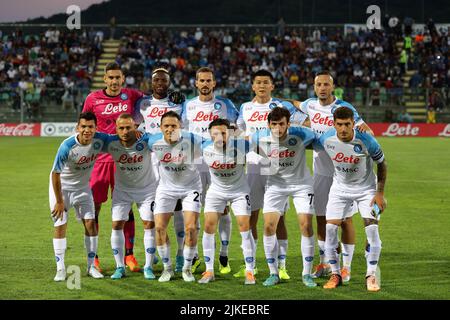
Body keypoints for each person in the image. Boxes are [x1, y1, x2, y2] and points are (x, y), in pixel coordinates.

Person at [293, 71, 373, 283]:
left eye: (326, 84)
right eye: (318, 84)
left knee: (345, 220)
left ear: (332, 86)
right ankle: (325, 261)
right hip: (320, 170)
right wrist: (275, 102)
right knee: (322, 218)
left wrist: (364, 128)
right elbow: (294, 103)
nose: (322, 88)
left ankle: (345, 267)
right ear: (314, 87)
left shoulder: (344, 108)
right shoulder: (309, 104)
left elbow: (365, 129)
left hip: (344, 174)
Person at [236, 69, 306, 280]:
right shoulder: (245, 107)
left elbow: (302, 122)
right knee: (252, 216)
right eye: (258, 82)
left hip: (278, 167)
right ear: (253, 86)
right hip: (254, 165)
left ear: (272, 86)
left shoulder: (281, 107)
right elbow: (239, 129)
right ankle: (252, 265)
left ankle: (281, 265)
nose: (262, 86)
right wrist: (246, 139)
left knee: (279, 218)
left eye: (266, 82)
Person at [82, 62, 144, 272]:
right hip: (99, 160)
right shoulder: (92, 99)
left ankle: (129, 255)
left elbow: (152, 104)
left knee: (127, 208)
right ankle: (95, 257)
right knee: (94, 208)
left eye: (118, 77)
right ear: (105, 79)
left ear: (123, 78)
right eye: (111, 77)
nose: (115, 81)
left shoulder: (132, 95)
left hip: (124, 160)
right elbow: (83, 124)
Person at [317, 106, 387, 292]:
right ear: (334, 124)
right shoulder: (326, 137)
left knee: (371, 229)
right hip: (339, 189)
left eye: (347, 124)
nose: (343, 129)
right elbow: (307, 142)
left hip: (367, 190)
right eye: (339, 124)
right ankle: (336, 273)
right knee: (330, 229)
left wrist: (379, 193)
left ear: (353, 123)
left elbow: (382, 163)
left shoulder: (366, 140)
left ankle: (371, 274)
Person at [181, 67, 240, 274]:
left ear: (214, 83)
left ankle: (224, 255)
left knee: (223, 208)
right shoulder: (187, 105)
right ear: (196, 83)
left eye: (208, 80)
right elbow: (180, 131)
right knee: (194, 210)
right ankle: (195, 255)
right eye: (201, 81)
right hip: (195, 163)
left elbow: (238, 127)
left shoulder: (225, 105)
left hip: (219, 162)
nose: (205, 84)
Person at [251, 107, 317, 287]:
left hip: (302, 184)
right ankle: (274, 273)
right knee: (269, 226)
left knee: (305, 224)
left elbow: (320, 140)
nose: (278, 128)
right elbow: (254, 150)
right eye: (274, 124)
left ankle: (306, 273)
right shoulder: (259, 137)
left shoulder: (303, 134)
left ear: (289, 124)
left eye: (282, 124)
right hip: (275, 185)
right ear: (268, 124)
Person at [135, 66, 187, 273]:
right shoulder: (143, 103)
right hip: (149, 161)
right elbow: (136, 127)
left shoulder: (177, 101)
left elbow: (186, 125)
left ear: (169, 82)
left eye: (164, 80)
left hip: (173, 159)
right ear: (151, 82)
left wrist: (182, 101)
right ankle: (154, 252)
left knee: (178, 206)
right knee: (153, 208)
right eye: (156, 80)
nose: (160, 83)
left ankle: (181, 254)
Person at [145, 111, 203, 283]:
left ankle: (186, 268)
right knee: (160, 228)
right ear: (160, 128)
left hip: (190, 187)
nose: (170, 129)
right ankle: (167, 268)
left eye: (174, 126)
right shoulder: (153, 141)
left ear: (180, 127)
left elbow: (213, 144)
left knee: (191, 228)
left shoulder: (192, 139)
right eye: (166, 126)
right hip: (166, 188)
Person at [198, 118, 256, 285]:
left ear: (229, 133)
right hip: (216, 191)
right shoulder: (203, 148)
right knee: (209, 225)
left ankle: (250, 270)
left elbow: (261, 141)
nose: (219, 136)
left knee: (244, 226)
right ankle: (209, 270)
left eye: (223, 132)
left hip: (239, 191)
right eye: (215, 133)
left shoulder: (241, 145)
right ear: (210, 135)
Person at [50, 112, 106, 281]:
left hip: (83, 188)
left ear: (96, 128)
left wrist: (137, 133)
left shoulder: (101, 140)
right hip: (62, 188)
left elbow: (120, 138)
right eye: (83, 127)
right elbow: (55, 173)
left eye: (90, 127)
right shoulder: (67, 146)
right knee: (60, 224)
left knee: (91, 224)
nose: (87, 130)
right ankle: (60, 269)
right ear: (77, 128)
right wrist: (59, 201)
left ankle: (91, 267)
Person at [102, 114, 158, 280]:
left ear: (135, 127)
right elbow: (90, 143)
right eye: (121, 128)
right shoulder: (111, 143)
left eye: (128, 127)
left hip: (146, 190)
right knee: (117, 224)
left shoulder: (146, 141)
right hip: (122, 191)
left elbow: (164, 140)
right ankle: (120, 267)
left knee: (149, 224)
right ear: (116, 129)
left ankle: (148, 266)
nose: (125, 131)